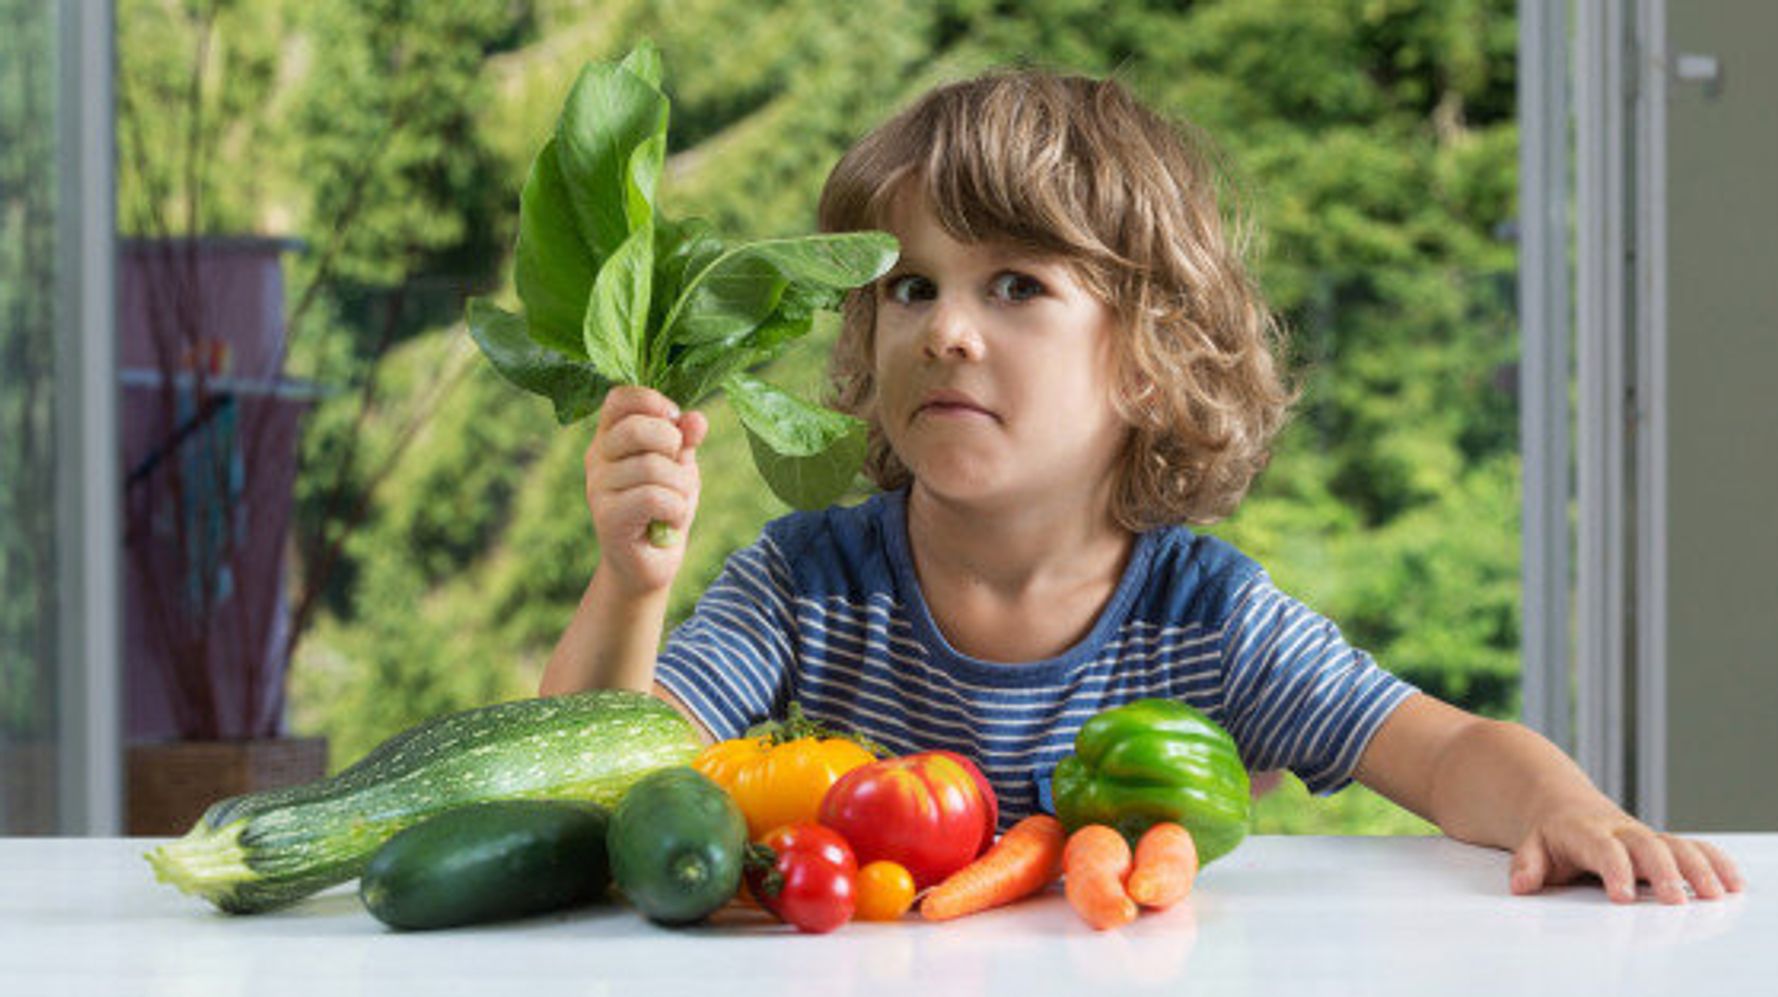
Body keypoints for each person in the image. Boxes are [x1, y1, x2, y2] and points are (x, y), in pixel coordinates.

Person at [541, 67, 1743, 905]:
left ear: (1150, 361)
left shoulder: (1205, 616)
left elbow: (1447, 752)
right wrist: (631, 578)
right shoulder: (805, 586)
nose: (944, 331)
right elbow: (578, 794)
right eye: (909, 288)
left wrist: (1573, 811)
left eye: (1014, 286)